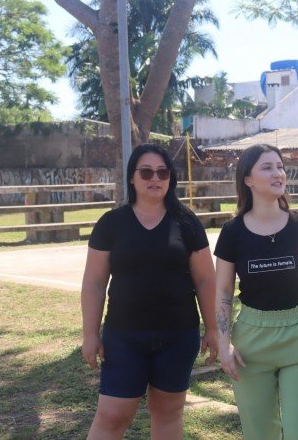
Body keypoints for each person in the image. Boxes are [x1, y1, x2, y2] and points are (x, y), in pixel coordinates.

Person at [81, 143, 219, 439]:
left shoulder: (187, 223)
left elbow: (206, 279)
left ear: (171, 178)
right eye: (146, 172)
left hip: (178, 336)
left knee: (168, 413)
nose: (154, 178)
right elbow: (94, 282)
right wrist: (90, 334)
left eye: (162, 172)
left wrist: (213, 328)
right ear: (132, 177)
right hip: (124, 337)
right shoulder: (111, 224)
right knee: (112, 416)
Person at [214, 144, 298, 440]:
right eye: (267, 167)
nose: (278, 173)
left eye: (280, 166)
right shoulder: (233, 232)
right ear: (248, 179)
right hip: (251, 341)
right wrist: (223, 344)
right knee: (260, 435)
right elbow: (223, 291)